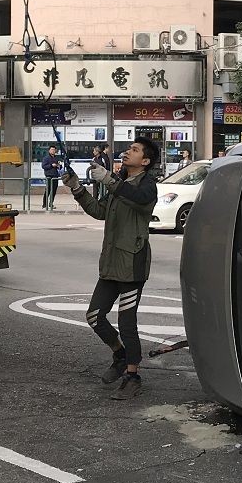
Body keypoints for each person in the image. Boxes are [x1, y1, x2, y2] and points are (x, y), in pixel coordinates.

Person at [62, 136, 159, 400]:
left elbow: (138, 199)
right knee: (94, 315)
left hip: (132, 264)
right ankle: (120, 355)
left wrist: (108, 180)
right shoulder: (120, 183)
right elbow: (98, 211)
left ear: (146, 161)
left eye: (135, 150)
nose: (128, 152)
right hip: (111, 263)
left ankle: (133, 375)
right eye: (129, 148)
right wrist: (77, 188)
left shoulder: (147, 185)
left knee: (128, 323)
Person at [41, 145, 63, 211]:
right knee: (47, 190)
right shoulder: (46, 158)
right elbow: (44, 166)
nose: (53, 151)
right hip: (49, 176)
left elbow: (60, 167)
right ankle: (44, 204)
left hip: (55, 176)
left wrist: (59, 165)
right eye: (52, 149)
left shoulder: (56, 158)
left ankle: (51, 203)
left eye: (54, 149)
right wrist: (51, 165)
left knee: (54, 190)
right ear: (49, 150)